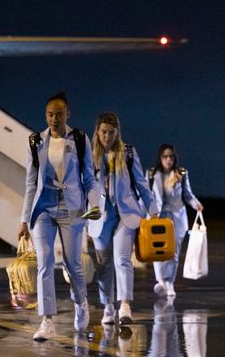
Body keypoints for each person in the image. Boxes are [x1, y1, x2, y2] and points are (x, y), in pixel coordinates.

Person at [18, 91, 101, 341]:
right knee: (44, 264)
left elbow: (89, 177)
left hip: (72, 207)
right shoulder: (35, 141)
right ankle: (47, 321)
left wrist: (94, 204)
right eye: (49, 114)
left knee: (73, 264)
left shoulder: (78, 138)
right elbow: (31, 184)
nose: (54, 119)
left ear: (68, 114)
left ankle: (80, 303)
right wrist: (24, 220)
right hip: (43, 208)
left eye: (59, 114)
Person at [88, 112, 159, 325]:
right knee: (104, 264)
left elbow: (141, 183)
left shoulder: (127, 152)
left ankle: (125, 305)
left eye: (111, 132)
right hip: (100, 216)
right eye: (103, 132)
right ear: (97, 132)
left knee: (122, 258)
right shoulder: (89, 155)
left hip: (126, 214)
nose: (107, 137)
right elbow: (83, 189)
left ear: (117, 132)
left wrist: (153, 210)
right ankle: (108, 306)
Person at [148, 144, 203, 298]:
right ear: (160, 158)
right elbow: (145, 195)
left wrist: (196, 204)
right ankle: (160, 281)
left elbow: (188, 194)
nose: (168, 159)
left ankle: (169, 281)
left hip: (177, 217)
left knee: (174, 252)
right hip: (158, 217)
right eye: (165, 156)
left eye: (171, 156)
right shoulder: (152, 174)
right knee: (157, 250)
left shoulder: (181, 174)